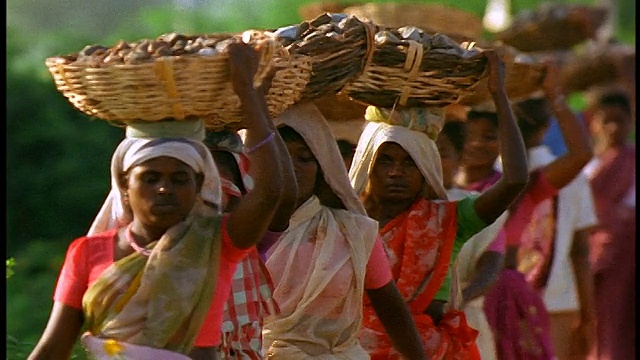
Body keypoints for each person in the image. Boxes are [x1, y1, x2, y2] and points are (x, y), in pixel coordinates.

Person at [27, 42, 294, 360]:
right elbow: (53, 346)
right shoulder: (87, 254)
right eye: (150, 179)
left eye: (178, 179)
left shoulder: (217, 242)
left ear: (198, 185)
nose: (164, 189)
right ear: (125, 184)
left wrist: (248, 94)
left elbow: (271, 192)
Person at [348, 49, 530, 359]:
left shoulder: (449, 220)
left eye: (409, 163)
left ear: (426, 170)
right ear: (367, 165)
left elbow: (515, 180)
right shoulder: (345, 222)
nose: (396, 172)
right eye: (386, 161)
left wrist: (498, 94)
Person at [261, 102, 427, 359]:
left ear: (322, 169)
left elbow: (391, 308)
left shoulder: (351, 232)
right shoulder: (240, 231)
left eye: (304, 158)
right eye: (279, 156)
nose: (291, 167)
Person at [484, 58, 596, 360]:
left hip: (488, 299)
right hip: (555, 299)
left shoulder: (490, 178)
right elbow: (581, 251)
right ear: (546, 128)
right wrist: (589, 316)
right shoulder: (556, 179)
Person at [204, 129, 296, 359]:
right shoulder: (167, 248)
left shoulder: (246, 239)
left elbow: (278, 192)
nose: (217, 198)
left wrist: (256, 109)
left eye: (228, 187)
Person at [437, 119, 507, 360]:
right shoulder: (396, 206)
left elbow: (490, 266)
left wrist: (457, 301)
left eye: (442, 152)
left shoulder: (474, 206)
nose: (433, 160)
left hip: (464, 323)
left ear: (459, 158)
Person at [583, 89, 635, 360]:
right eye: (607, 120)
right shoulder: (586, 168)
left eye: (621, 120)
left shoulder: (632, 161)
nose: (614, 128)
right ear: (594, 123)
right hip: (598, 260)